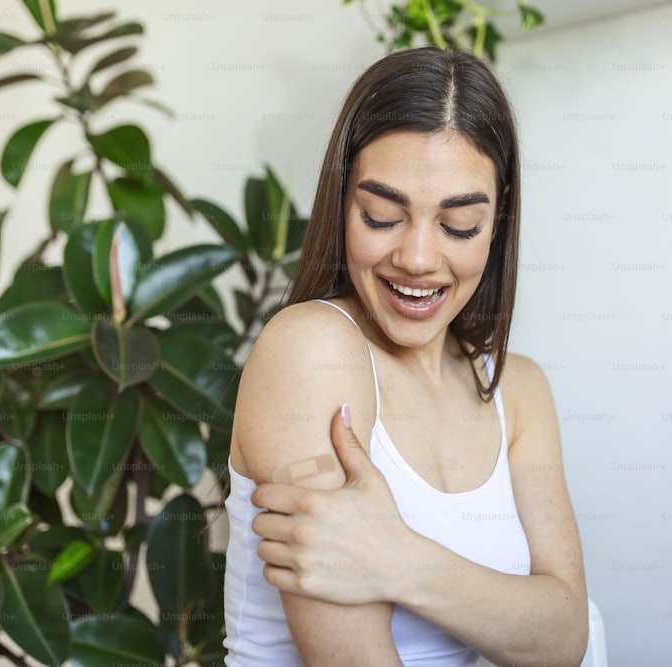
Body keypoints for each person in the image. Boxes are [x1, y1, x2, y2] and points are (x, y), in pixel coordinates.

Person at [223, 46, 588, 666]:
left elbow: (563, 639)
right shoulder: (312, 349)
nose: (417, 258)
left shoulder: (517, 390)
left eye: (460, 226)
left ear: (498, 222)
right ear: (342, 205)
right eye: (382, 215)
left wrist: (399, 558)